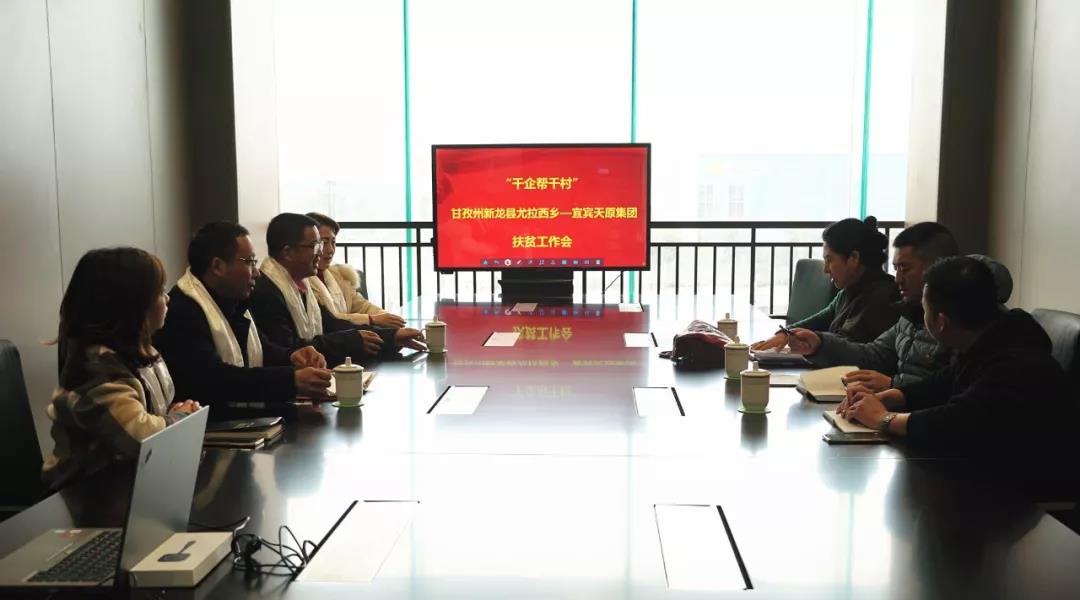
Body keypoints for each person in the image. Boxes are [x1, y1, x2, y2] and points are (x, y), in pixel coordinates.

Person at [841, 256, 1078, 498]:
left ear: (941, 322)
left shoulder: (1016, 364)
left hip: (1023, 494)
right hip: (989, 470)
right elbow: (945, 381)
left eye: (925, 309)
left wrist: (883, 419)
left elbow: (957, 422)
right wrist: (894, 396)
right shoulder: (994, 338)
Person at [42, 248, 201, 490]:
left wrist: (170, 415)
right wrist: (182, 418)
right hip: (81, 494)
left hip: (126, 485)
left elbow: (152, 415)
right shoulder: (95, 367)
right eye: (159, 291)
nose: (167, 298)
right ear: (132, 304)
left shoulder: (141, 353)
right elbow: (139, 437)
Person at [154, 222, 333, 408]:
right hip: (211, 420)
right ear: (218, 266)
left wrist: (293, 357)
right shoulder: (183, 309)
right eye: (249, 262)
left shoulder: (233, 299)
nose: (257, 273)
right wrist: (291, 380)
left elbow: (262, 349)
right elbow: (214, 379)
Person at [784, 222, 959, 391]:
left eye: (905, 268)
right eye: (896, 269)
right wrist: (819, 344)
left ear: (937, 268)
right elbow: (874, 355)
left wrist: (893, 388)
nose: (898, 279)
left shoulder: (957, 324)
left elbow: (950, 393)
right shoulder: (908, 314)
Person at [248, 213, 425, 367]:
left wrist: (392, 336)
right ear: (288, 252)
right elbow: (292, 349)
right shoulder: (266, 292)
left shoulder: (301, 284)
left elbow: (332, 324)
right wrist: (353, 340)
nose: (321, 252)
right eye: (315, 246)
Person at [753, 216, 900, 351]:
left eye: (829, 260)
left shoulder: (882, 299)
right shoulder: (848, 291)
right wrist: (785, 333)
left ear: (853, 258)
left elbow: (851, 350)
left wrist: (816, 342)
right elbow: (819, 320)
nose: (826, 269)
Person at [305, 212, 406, 328]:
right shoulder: (301, 280)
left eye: (333, 242)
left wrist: (390, 318)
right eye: (324, 242)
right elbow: (329, 321)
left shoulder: (337, 275)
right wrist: (371, 319)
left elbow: (362, 306)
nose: (330, 249)